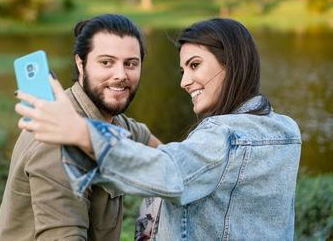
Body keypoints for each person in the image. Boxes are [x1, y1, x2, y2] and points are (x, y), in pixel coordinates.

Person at [15, 18, 302, 240]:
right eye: (182, 70)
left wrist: (80, 132)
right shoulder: (287, 130)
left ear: (232, 63)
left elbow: (169, 168)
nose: (184, 81)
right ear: (80, 64)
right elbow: (160, 151)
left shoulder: (223, 136)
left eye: (195, 65)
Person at [0, 14, 161, 241]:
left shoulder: (115, 124)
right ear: (80, 64)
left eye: (130, 64)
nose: (121, 75)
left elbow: (169, 159)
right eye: (106, 62)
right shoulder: (55, 141)